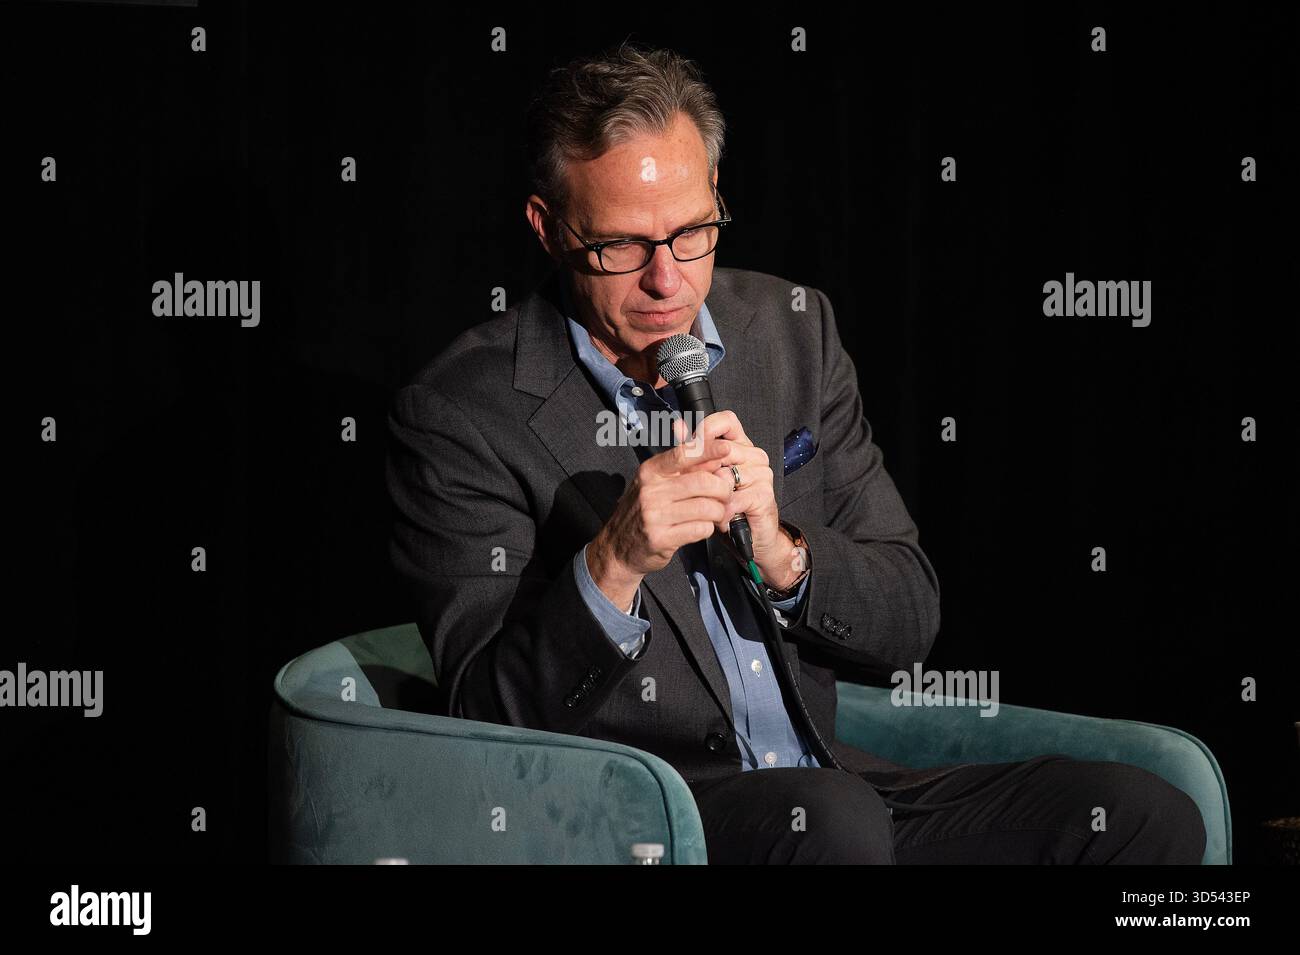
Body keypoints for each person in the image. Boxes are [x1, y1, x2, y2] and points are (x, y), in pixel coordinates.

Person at [385, 42, 1207, 864]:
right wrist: (613, 563)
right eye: (623, 247)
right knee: (832, 821)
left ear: (716, 198)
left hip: (840, 788)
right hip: (658, 821)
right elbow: (480, 722)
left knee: (1141, 814)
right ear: (548, 229)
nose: (668, 281)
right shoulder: (462, 412)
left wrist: (786, 557)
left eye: (692, 233)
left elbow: (910, 615)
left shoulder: (790, 329)